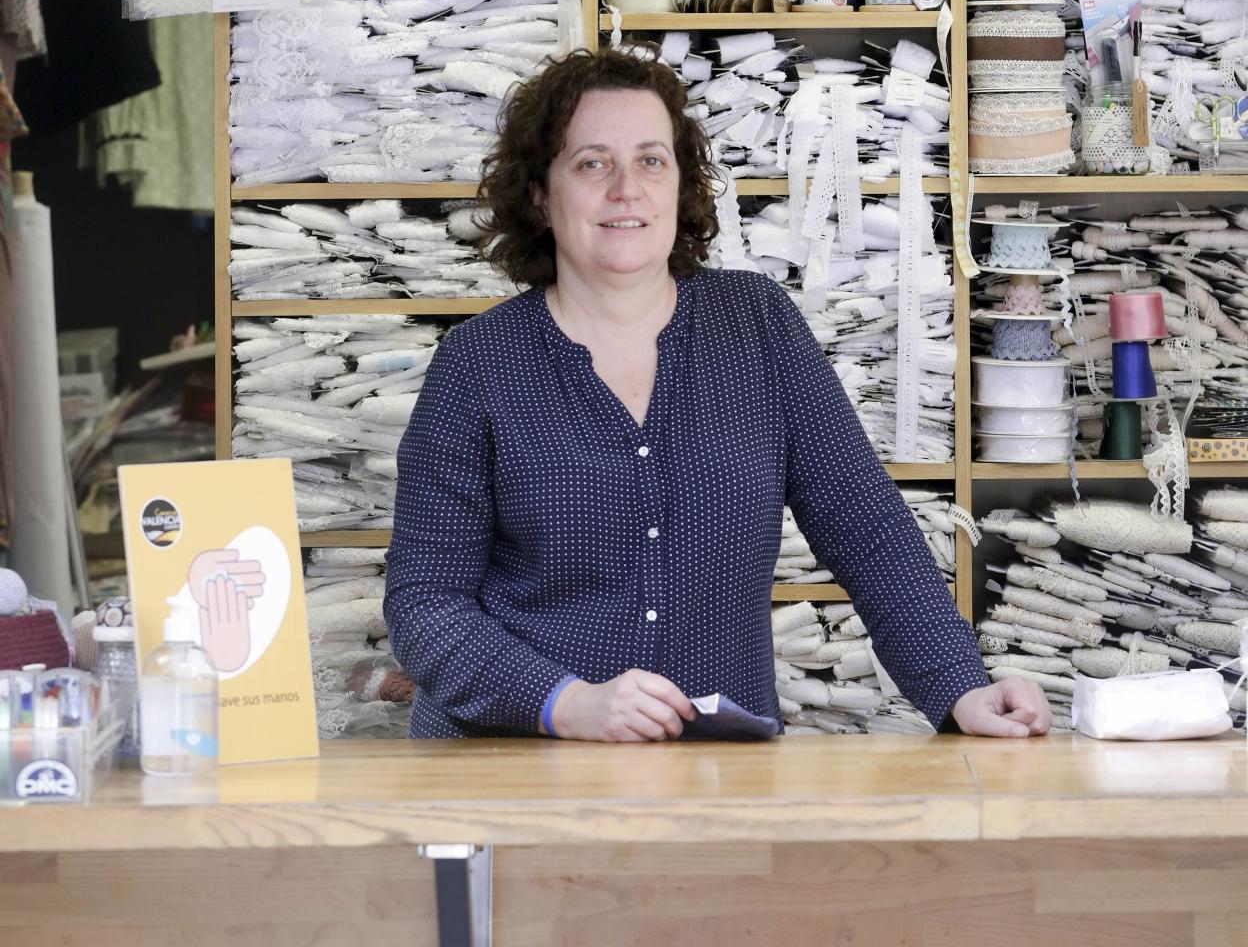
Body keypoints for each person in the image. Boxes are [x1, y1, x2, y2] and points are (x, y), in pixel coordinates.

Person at [384, 47, 1051, 743]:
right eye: (591, 163)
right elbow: (425, 602)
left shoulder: (756, 326)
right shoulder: (478, 364)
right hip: (517, 763)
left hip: (712, 765)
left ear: (681, 185)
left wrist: (961, 688)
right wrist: (564, 701)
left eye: (651, 160)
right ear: (540, 195)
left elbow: (868, 530)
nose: (625, 188)